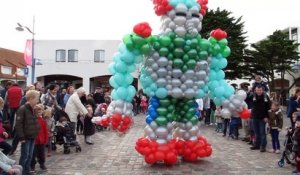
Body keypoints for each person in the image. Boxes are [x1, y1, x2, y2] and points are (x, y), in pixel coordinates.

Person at [15, 90, 41, 175]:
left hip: (32, 135)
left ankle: (27, 170)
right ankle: (21, 171)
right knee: (25, 155)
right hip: (25, 137)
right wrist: (21, 137)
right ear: (31, 98)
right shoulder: (22, 109)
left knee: (30, 155)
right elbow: (18, 124)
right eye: (37, 99)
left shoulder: (33, 109)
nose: (38, 100)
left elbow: (34, 121)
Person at [250, 85, 271, 152]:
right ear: (255, 90)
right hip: (254, 116)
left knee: (262, 132)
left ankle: (263, 146)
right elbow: (246, 99)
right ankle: (257, 145)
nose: (259, 91)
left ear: (262, 90)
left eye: (260, 90)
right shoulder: (253, 96)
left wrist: (267, 117)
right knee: (256, 132)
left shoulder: (265, 97)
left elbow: (268, 107)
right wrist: (249, 91)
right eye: (257, 90)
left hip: (263, 118)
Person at [31, 104, 48, 172]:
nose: (39, 114)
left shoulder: (42, 120)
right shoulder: (32, 120)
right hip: (34, 141)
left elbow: (45, 130)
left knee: (42, 154)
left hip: (41, 140)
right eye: (38, 112)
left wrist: (45, 139)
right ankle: (32, 166)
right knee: (33, 154)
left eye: (40, 112)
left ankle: (42, 164)